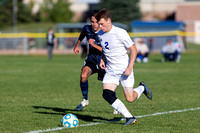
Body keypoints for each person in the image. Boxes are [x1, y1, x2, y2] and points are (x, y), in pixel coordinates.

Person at [90, 9, 152, 126]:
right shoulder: (100, 34)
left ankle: (142, 88)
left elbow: (134, 49)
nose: (100, 26)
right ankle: (129, 117)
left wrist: (130, 67)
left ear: (109, 21)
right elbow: (105, 49)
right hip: (111, 70)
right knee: (107, 94)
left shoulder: (120, 33)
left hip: (124, 70)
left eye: (102, 24)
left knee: (130, 98)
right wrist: (103, 58)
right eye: (99, 24)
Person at [73, 10, 118, 114]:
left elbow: (108, 50)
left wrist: (94, 45)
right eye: (92, 21)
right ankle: (85, 100)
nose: (94, 24)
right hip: (91, 60)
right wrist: (77, 45)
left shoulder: (106, 33)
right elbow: (81, 36)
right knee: (83, 75)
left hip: (104, 61)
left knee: (108, 87)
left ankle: (115, 105)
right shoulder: (87, 28)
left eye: (96, 22)